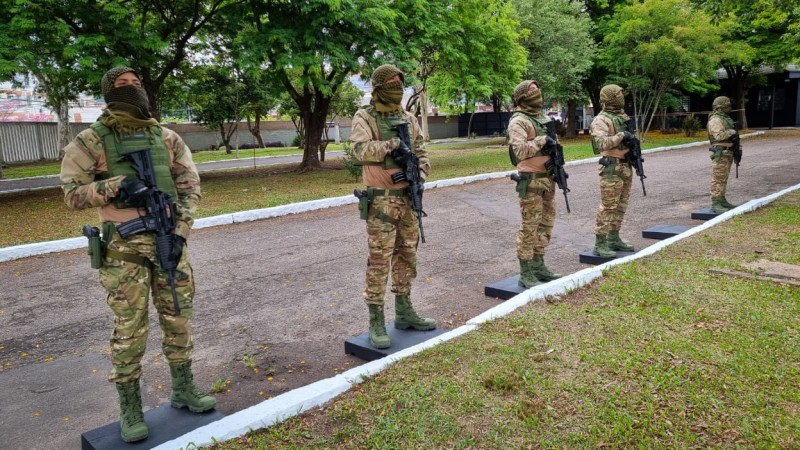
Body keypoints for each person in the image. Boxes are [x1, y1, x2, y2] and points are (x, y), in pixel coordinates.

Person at [60, 66, 215, 443]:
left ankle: (183, 388)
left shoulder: (166, 137)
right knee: (130, 331)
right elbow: (72, 195)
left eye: (136, 84)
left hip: (169, 242)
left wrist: (181, 231)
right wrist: (117, 185)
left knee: (178, 316)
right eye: (121, 85)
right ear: (108, 92)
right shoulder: (91, 140)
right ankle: (130, 408)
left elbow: (190, 187)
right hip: (123, 250)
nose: (131, 89)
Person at [349, 64, 436, 349]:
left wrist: (419, 175)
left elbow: (423, 154)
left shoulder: (409, 118)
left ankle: (404, 311)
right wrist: (390, 146)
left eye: (401, 82)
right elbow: (359, 151)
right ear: (378, 87)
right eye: (392, 82)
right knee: (379, 259)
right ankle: (376, 319)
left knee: (407, 254)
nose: (398, 87)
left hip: (408, 198)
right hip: (381, 201)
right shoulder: (365, 117)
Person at [507, 80, 561, 288]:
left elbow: (553, 145)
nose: (536, 92)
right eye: (531, 90)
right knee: (530, 226)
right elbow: (519, 151)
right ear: (522, 97)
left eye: (537, 89)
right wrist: (541, 141)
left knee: (546, 223)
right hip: (531, 181)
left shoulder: (544, 119)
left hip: (549, 178)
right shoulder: (519, 121)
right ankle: (526, 271)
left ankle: (539, 265)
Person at [590, 84, 637, 258]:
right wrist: (622, 136)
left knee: (621, 205)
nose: (621, 96)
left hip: (625, 165)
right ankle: (600, 242)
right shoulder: (601, 120)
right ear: (609, 97)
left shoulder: (622, 117)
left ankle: (614, 237)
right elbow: (601, 143)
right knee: (608, 206)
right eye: (618, 94)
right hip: (611, 166)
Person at [706, 95, 740, 213]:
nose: (730, 108)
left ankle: (721, 199)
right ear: (720, 108)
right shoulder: (715, 119)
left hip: (727, 152)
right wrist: (732, 131)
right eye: (727, 106)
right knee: (718, 178)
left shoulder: (724, 118)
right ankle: (715, 203)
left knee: (723, 178)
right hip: (721, 152)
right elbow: (719, 136)